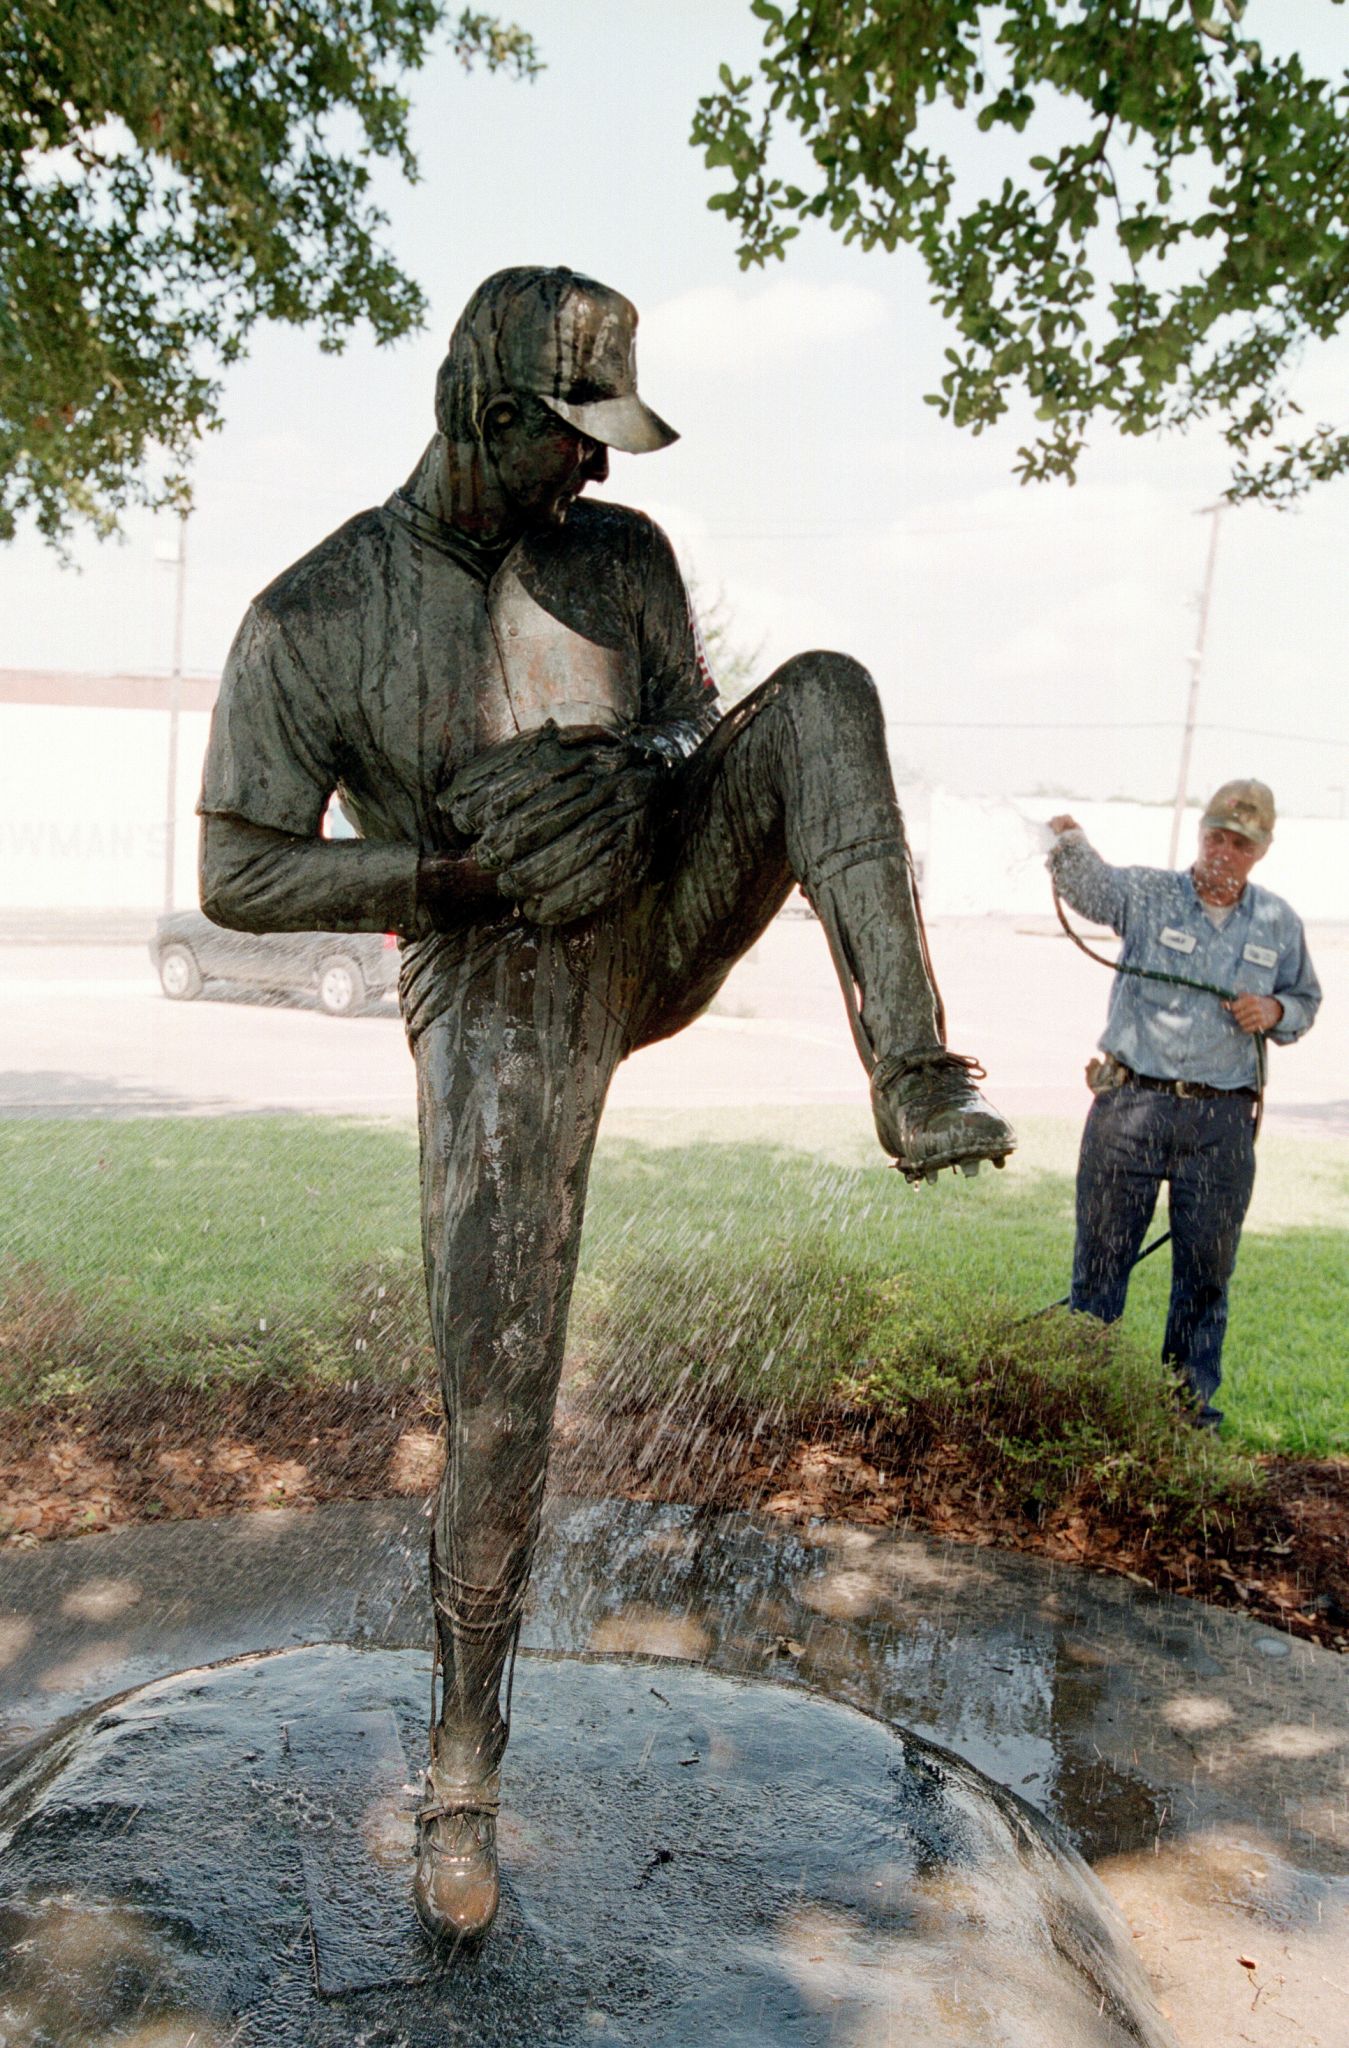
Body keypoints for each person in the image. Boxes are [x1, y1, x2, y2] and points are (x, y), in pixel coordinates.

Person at [198, 265, 1015, 1945]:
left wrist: (628, 778)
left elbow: (690, 731)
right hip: (488, 975)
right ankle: (461, 1764)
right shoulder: (316, 611)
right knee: (500, 1392)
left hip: (645, 914)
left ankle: (911, 1072)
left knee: (825, 691)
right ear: (474, 408)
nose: (594, 472)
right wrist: (441, 870)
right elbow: (232, 868)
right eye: (567, 440)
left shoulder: (622, 561)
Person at [1046, 784, 1320, 1429]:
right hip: (1129, 1108)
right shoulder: (1146, 893)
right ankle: (1082, 1411)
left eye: (1240, 842)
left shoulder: (1279, 922)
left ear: (1262, 850)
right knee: (1100, 1266)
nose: (1224, 851)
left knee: (1205, 1273)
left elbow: (1305, 998)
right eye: (1215, 836)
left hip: (1222, 1123)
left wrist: (1276, 1010)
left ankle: (1185, 1419)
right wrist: (1067, 841)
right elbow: (1090, 890)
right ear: (1201, 835)